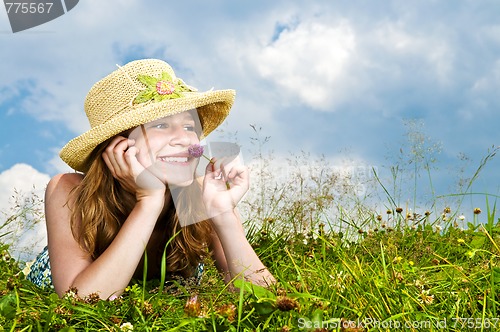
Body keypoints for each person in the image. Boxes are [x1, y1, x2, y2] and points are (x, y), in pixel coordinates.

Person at [26, 59, 275, 299]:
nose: (185, 140)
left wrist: (223, 214)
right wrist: (149, 201)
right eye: (161, 125)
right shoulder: (69, 190)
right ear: (118, 144)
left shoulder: (203, 193)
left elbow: (267, 300)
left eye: (189, 127)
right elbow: (80, 303)